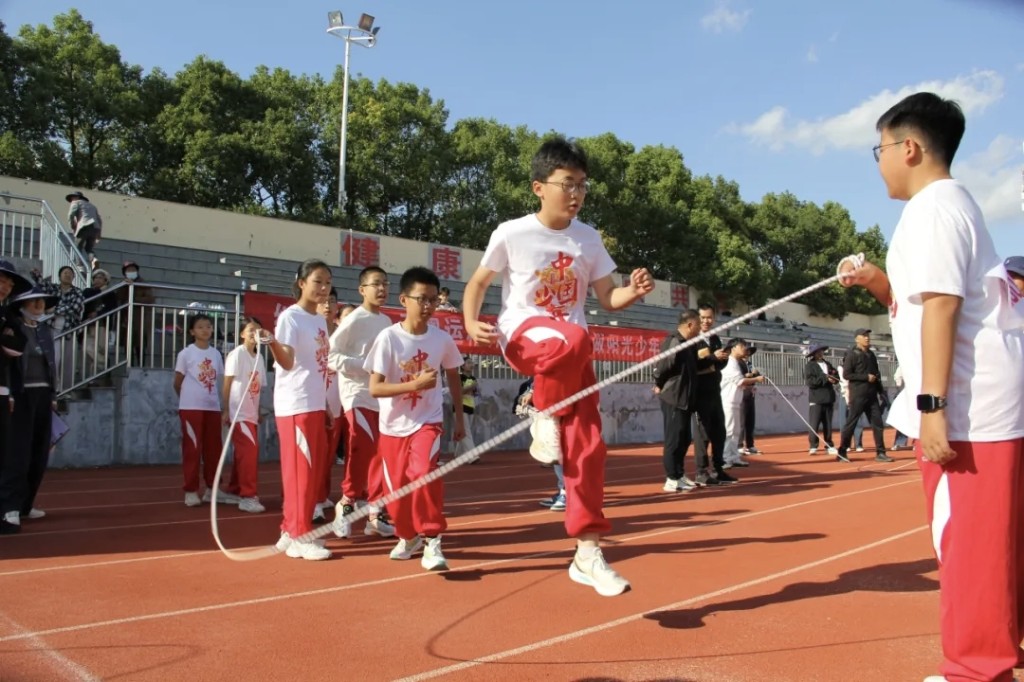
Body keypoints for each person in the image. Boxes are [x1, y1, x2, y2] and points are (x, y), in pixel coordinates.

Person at [839, 91, 1024, 682]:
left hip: (968, 408)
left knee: (969, 547)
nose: (879, 160)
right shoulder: (953, 206)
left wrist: (933, 408)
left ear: (909, 147)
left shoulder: (931, 210)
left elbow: (943, 308)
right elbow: (922, 306)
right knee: (989, 543)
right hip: (986, 404)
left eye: (881, 148)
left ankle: (977, 669)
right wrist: (877, 283)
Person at [462, 137, 654, 596]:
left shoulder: (588, 238)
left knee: (588, 449)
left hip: (572, 358)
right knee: (572, 338)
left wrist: (634, 291)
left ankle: (587, 552)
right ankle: (542, 412)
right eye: (568, 184)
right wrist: (471, 319)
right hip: (525, 336)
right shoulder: (511, 232)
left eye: (583, 186)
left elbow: (609, 298)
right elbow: (479, 281)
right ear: (538, 187)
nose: (577, 194)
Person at [364, 266, 465, 571]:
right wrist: (414, 385)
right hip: (393, 427)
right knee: (396, 495)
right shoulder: (388, 339)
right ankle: (408, 537)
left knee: (424, 472)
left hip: (428, 422)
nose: (428, 306)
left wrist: (460, 418)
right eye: (422, 299)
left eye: (434, 300)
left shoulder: (442, 339)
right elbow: (375, 387)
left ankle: (432, 538)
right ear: (404, 300)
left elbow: (454, 377)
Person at [265, 259, 334, 561]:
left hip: (314, 403)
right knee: (300, 473)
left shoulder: (318, 319)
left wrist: (326, 404)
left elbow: (317, 365)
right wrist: (271, 343)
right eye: (318, 281)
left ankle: (290, 527)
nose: (323, 288)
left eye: (328, 283)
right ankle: (299, 534)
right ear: (301, 283)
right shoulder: (290, 318)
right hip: (296, 405)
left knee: (311, 471)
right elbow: (288, 361)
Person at [328, 265, 396, 539]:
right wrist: (366, 367)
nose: (382, 289)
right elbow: (332, 356)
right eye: (376, 284)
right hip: (356, 395)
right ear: (362, 289)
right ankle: (347, 503)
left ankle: (374, 514)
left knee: (381, 456)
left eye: (386, 284)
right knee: (360, 450)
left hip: (381, 398)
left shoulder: (387, 322)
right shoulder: (355, 319)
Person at [0, 284, 54, 534]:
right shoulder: (13, 328)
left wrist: (53, 395)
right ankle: (9, 506)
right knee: (18, 451)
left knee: (39, 451)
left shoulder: (44, 330)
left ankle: (26, 503)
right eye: (34, 303)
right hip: (22, 394)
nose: (39, 307)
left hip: (44, 394)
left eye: (42, 303)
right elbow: (10, 363)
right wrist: (10, 392)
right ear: (21, 306)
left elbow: (50, 363)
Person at [174, 314, 233, 507]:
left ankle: (212, 489)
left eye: (208, 326)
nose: (205, 330)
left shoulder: (215, 354)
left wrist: (223, 405)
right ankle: (191, 490)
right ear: (192, 331)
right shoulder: (186, 354)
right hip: (191, 408)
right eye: (200, 327)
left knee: (213, 450)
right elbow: (177, 383)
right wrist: (187, 399)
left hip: (212, 408)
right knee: (192, 449)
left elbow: (221, 381)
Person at [221, 316, 267, 514]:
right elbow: (227, 383)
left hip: (250, 413)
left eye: (258, 330)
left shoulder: (259, 357)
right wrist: (225, 409)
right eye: (250, 330)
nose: (254, 333)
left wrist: (257, 411)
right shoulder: (237, 354)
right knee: (249, 452)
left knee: (244, 453)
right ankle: (248, 496)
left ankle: (234, 489)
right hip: (238, 412)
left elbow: (258, 387)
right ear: (242, 334)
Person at [653, 309, 702, 493]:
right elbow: (662, 366)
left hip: (685, 398)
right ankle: (671, 478)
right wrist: (658, 383)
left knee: (684, 437)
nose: (699, 328)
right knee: (674, 439)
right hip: (673, 397)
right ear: (690, 324)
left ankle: (679, 474)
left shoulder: (687, 344)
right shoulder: (673, 341)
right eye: (697, 324)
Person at [691, 305, 737, 485]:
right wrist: (712, 359)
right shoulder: (692, 339)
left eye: (709, 318)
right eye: (702, 318)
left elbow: (718, 365)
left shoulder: (714, 338)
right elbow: (694, 364)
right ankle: (701, 472)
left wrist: (720, 359)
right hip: (699, 391)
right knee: (702, 433)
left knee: (719, 431)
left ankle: (718, 469)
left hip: (715, 390)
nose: (706, 321)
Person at [835, 329, 892, 463]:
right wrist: (866, 377)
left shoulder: (871, 354)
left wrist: (881, 391)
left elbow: (876, 374)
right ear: (857, 339)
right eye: (864, 336)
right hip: (858, 394)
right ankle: (842, 451)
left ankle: (881, 452)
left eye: (868, 336)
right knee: (851, 423)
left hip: (871, 395)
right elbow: (846, 375)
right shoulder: (851, 354)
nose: (867, 338)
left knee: (878, 423)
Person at [34, 266, 85, 392]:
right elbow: (42, 286)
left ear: (73, 277)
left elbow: (74, 307)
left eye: (70, 273)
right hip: (53, 329)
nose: (67, 275)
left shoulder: (77, 292)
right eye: (65, 273)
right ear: (60, 275)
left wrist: (54, 310)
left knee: (68, 362)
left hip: (69, 330)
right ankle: (54, 388)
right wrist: (37, 275)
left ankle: (67, 390)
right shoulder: (54, 288)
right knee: (54, 359)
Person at [115, 261, 155, 364]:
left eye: (133, 270)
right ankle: (129, 365)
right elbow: (119, 298)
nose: (131, 272)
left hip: (141, 319)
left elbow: (150, 299)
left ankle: (141, 366)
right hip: (126, 319)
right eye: (128, 270)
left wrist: (133, 299)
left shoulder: (143, 284)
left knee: (140, 345)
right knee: (128, 345)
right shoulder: (123, 284)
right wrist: (124, 286)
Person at [805, 343, 840, 455]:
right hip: (816, 399)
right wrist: (825, 378)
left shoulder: (828, 364)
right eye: (818, 352)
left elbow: (836, 376)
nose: (820, 353)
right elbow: (810, 382)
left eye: (821, 351)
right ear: (813, 354)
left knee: (828, 424)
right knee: (814, 423)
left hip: (828, 398)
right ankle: (813, 445)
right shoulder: (810, 366)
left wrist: (835, 379)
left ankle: (829, 445)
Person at [66, 191, 102, 269]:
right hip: (95, 228)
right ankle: (94, 259)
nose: (72, 200)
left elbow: (71, 215)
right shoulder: (92, 206)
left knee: (77, 246)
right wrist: (99, 234)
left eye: (73, 198)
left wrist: (72, 226)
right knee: (88, 248)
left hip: (84, 226)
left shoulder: (76, 203)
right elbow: (99, 220)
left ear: (77, 197)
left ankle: (79, 265)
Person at [455, 356, 480, 463]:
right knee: (466, 432)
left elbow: (474, 393)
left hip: (470, 406)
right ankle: (472, 456)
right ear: (463, 366)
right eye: (468, 363)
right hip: (460, 407)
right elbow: (459, 392)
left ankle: (458, 454)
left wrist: (474, 388)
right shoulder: (459, 377)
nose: (471, 365)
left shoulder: (473, 379)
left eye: (472, 363)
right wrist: (472, 387)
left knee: (464, 432)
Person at [739, 344, 761, 455]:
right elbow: (739, 377)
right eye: (746, 352)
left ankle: (750, 445)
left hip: (751, 393)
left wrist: (756, 374)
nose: (748, 354)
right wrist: (750, 375)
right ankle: (739, 445)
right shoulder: (737, 363)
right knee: (741, 421)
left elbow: (755, 376)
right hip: (742, 393)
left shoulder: (750, 364)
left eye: (749, 353)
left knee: (750, 421)